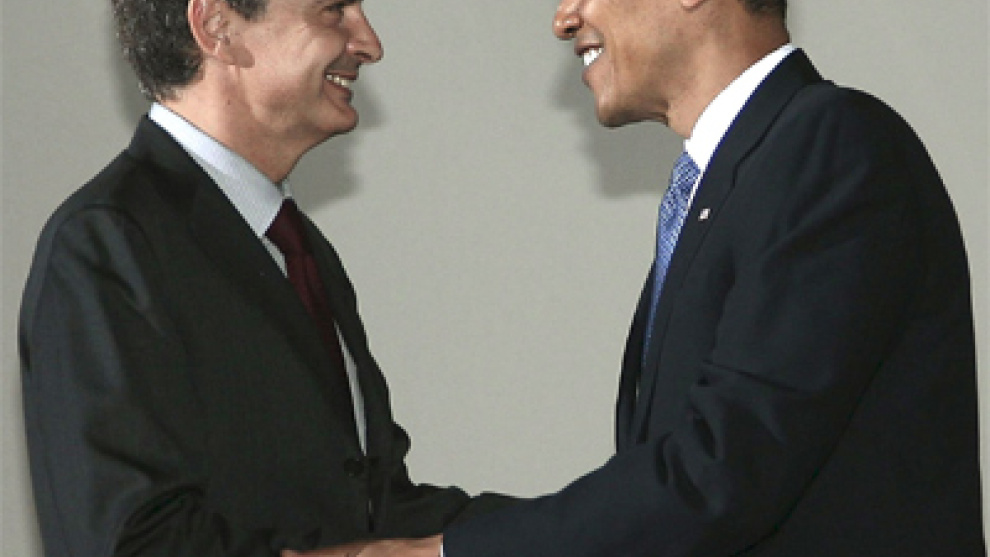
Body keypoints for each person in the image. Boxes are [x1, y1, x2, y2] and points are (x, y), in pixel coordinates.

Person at [299, 0, 986, 556]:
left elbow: (720, 469)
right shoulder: (734, 179)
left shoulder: (830, 143)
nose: (563, 18)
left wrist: (449, 553)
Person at [18, 0, 511, 556]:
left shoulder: (295, 247)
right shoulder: (106, 243)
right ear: (217, 27)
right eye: (333, 10)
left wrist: (579, 523)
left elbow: (377, 513)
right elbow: (133, 543)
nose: (369, 44)